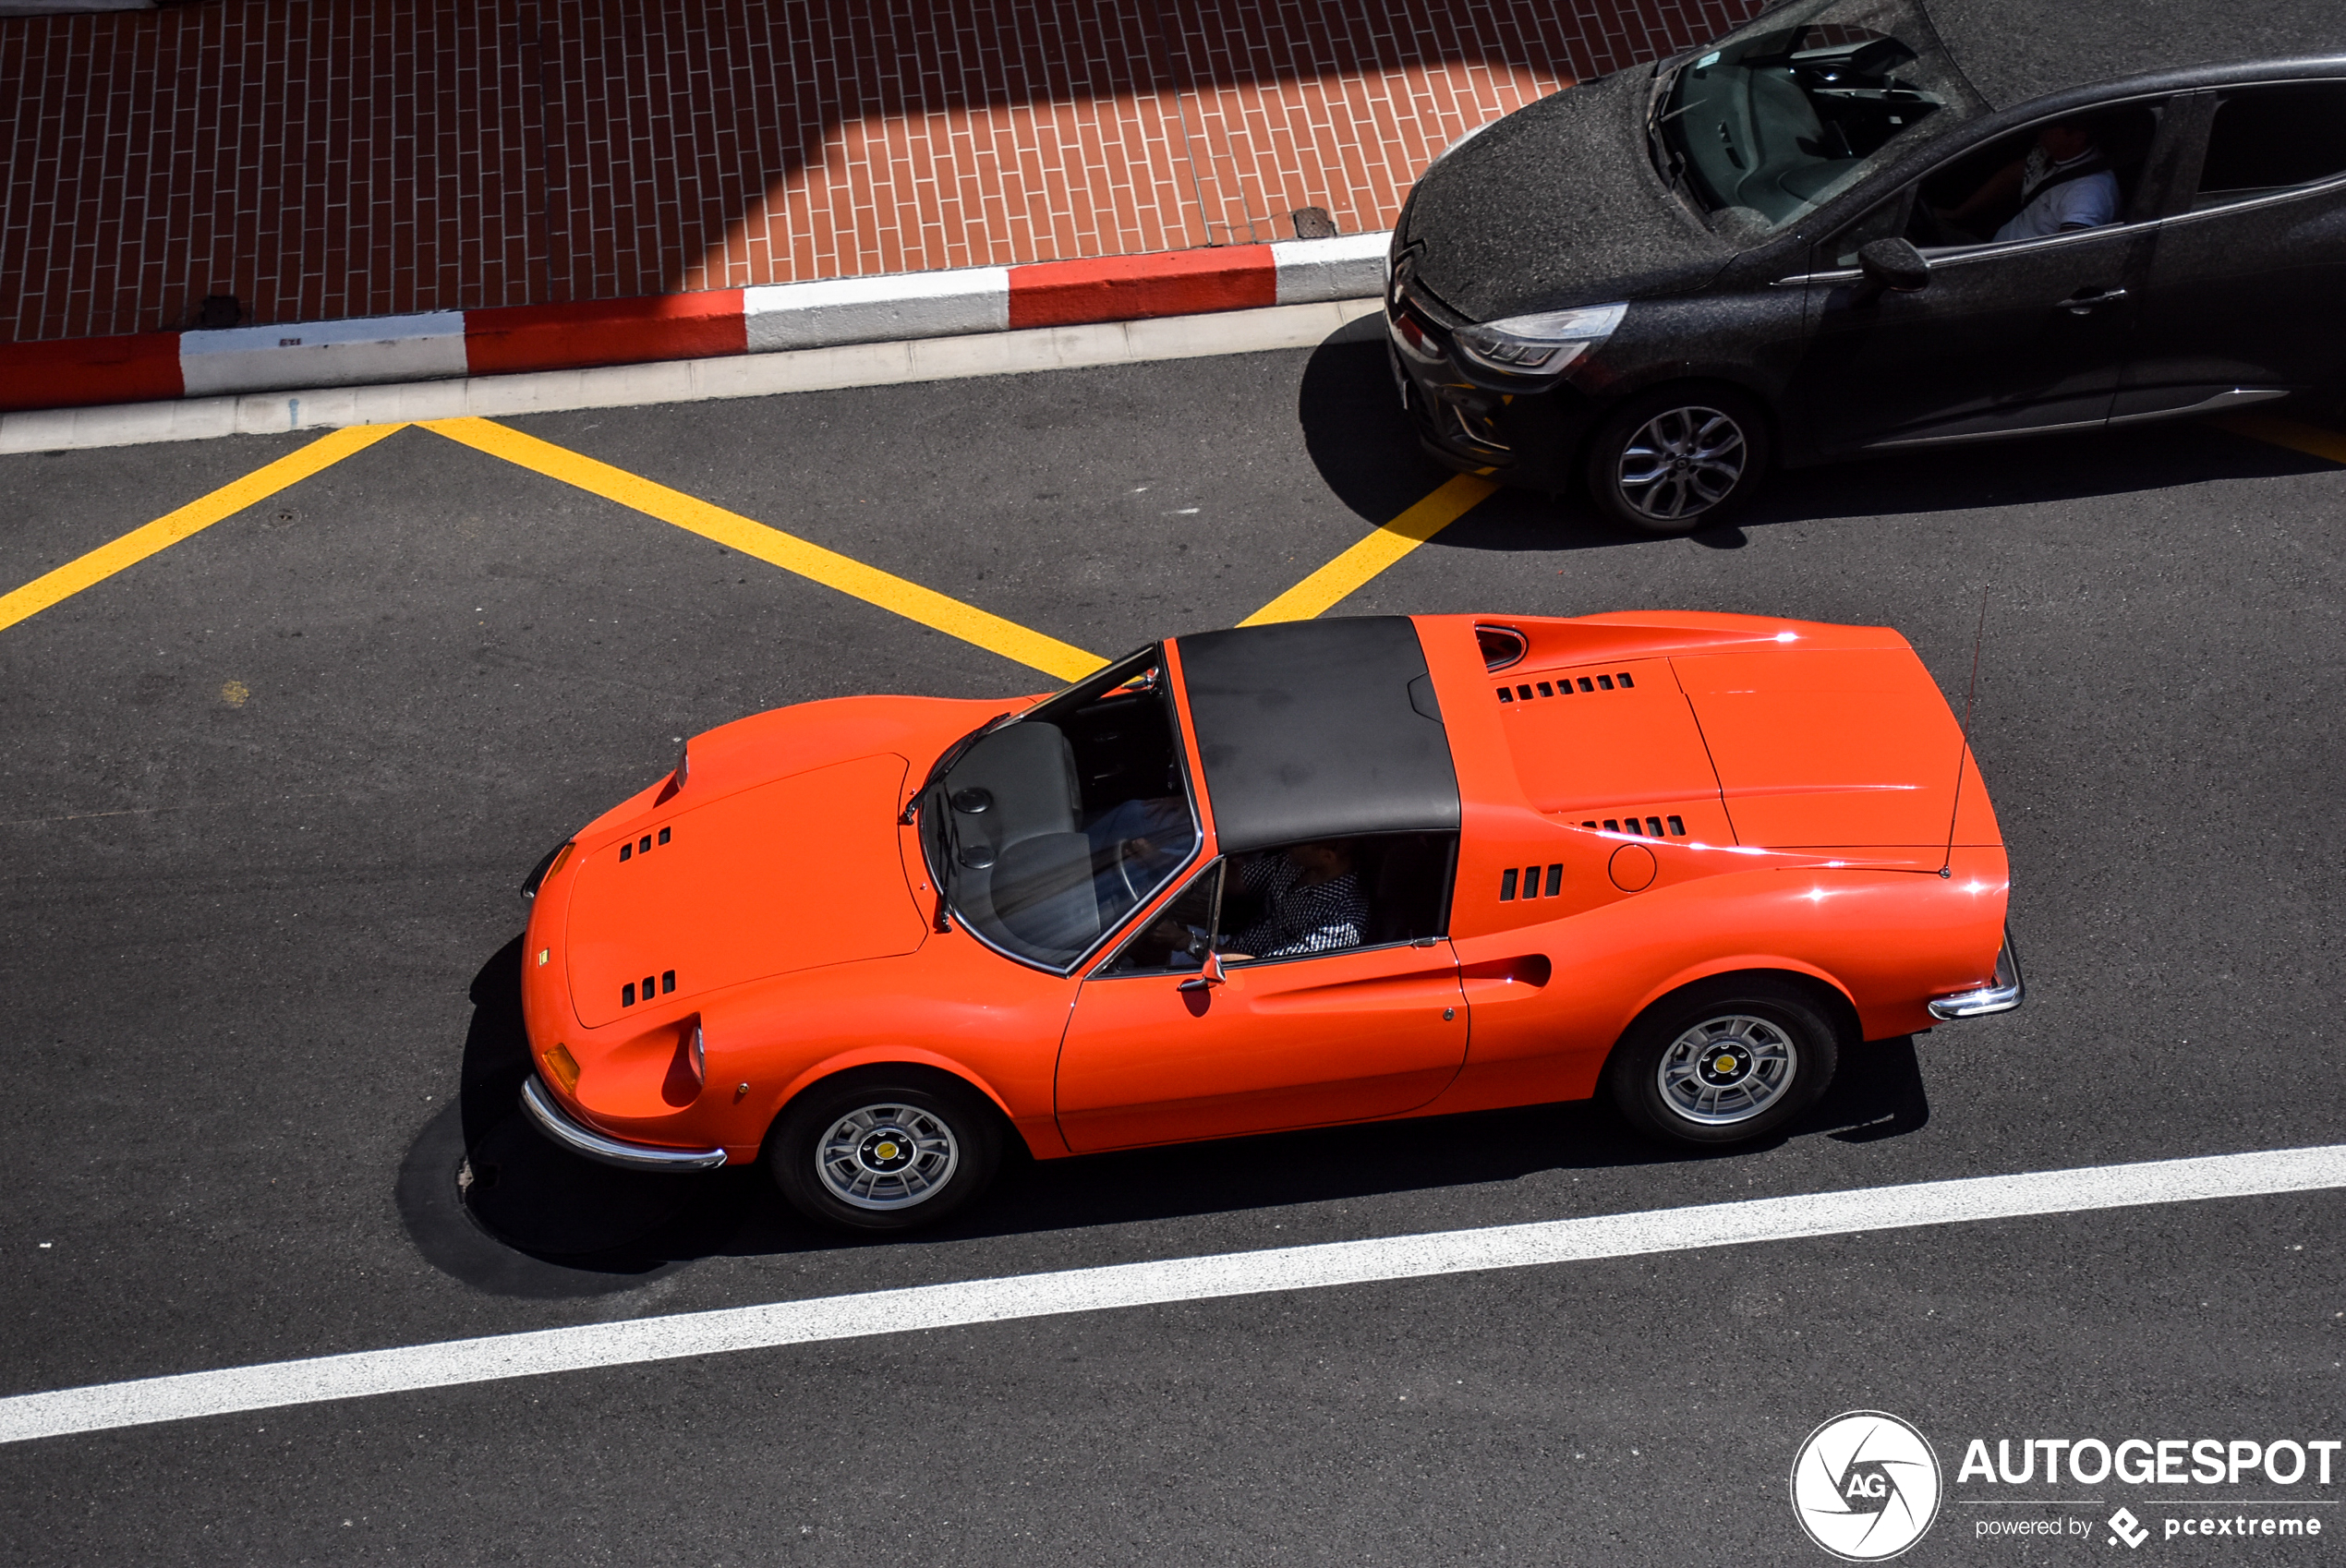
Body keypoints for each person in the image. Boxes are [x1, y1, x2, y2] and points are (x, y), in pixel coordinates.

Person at [1933, 120, 2119, 243]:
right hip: (1995, 247)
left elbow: (2069, 252)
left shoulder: (2088, 193)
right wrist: (1958, 214)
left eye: (2051, 127)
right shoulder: (2050, 152)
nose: (2042, 129)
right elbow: (2015, 175)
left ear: (2077, 137)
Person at [1221, 841, 1368, 961]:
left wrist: (1208, 953)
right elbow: (1237, 880)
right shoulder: (1297, 864)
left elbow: (1269, 970)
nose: (1290, 841)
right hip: (1231, 945)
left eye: (1302, 841)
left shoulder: (1340, 922)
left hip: (1241, 974)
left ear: (1327, 856)